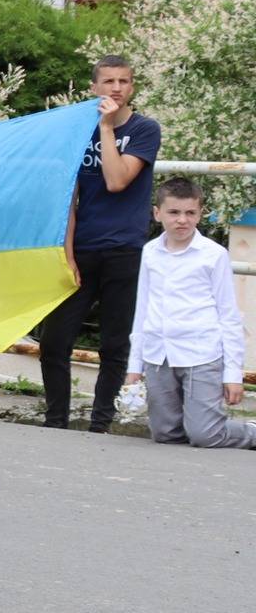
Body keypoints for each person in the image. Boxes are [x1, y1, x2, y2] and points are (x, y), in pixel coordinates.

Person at [39, 56, 162, 432]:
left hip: (124, 249)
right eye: (108, 81)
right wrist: (67, 253)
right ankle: (56, 420)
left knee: (113, 344)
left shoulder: (144, 129)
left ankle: (100, 423)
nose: (116, 88)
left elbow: (116, 180)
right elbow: (69, 199)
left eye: (124, 81)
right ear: (94, 87)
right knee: (54, 340)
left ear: (132, 87)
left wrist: (106, 128)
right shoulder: (78, 131)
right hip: (84, 249)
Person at [124, 178, 249, 448]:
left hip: (201, 353)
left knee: (205, 435)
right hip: (159, 353)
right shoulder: (150, 252)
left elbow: (229, 314)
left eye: (190, 213)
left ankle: (249, 432)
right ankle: (192, 438)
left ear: (200, 213)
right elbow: (142, 308)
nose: (182, 220)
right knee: (165, 434)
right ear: (157, 213)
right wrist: (135, 366)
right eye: (174, 212)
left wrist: (232, 373)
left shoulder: (213, 255)